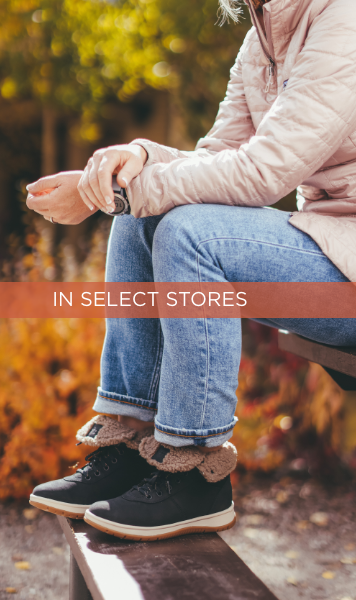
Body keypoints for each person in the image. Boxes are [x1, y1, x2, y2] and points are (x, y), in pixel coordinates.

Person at [26, 0, 356, 541]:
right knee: (139, 212)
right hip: (327, 241)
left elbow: (262, 174)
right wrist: (128, 163)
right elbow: (215, 158)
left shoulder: (343, 21)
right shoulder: (263, 38)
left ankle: (195, 466)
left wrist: (131, 188)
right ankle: (134, 443)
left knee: (183, 227)